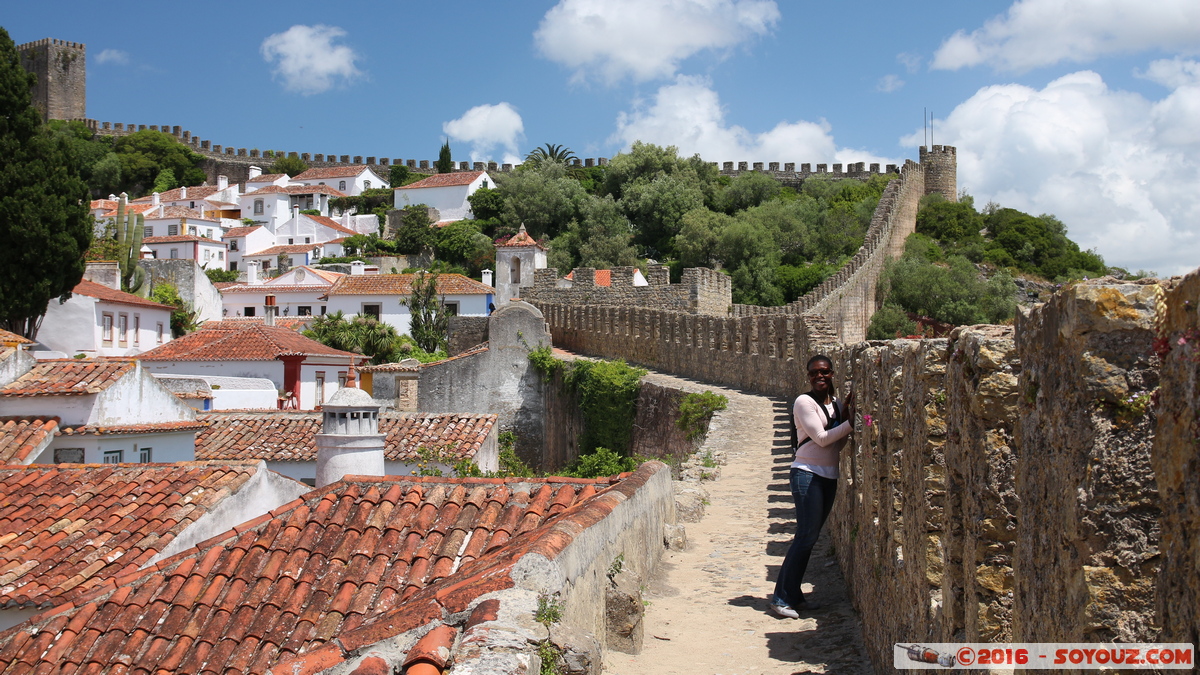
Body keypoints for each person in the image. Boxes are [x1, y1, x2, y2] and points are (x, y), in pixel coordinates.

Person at [770, 354, 855, 618]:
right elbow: (820, 438)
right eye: (814, 373)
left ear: (832, 374)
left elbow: (836, 445)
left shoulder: (835, 404)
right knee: (805, 536)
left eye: (825, 372)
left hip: (828, 475)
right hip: (806, 474)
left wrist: (851, 421)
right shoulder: (804, 402)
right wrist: (851, 423)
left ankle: (794, 595)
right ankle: (781, 598)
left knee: (810, 538)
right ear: (808, 376)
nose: (820, 377)